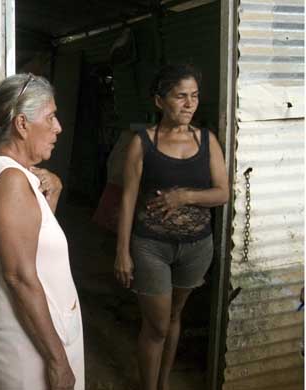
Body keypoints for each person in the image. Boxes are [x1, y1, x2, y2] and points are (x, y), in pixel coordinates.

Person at [114, 64, 229, 390]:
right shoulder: (143, 143)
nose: (189, 104)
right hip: (151, 246)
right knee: (157, 327)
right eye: (180, 96)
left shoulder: (208, 141)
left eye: (194, 96)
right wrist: (122, 252)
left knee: (175, 317)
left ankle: (163, 383)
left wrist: (185, 196)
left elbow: (223, 193)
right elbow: (127, 199)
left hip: (196, 247)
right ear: (160, 101)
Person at [0, 73, 84, 390]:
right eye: (50, 117)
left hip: (34, 337)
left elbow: (35, 247)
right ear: (21, 124)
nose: (58, 127)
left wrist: (53, 194)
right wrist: (57, 361)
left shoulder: (10, 173)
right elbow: (19, 276)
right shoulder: (11, 182)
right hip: (30, 348)